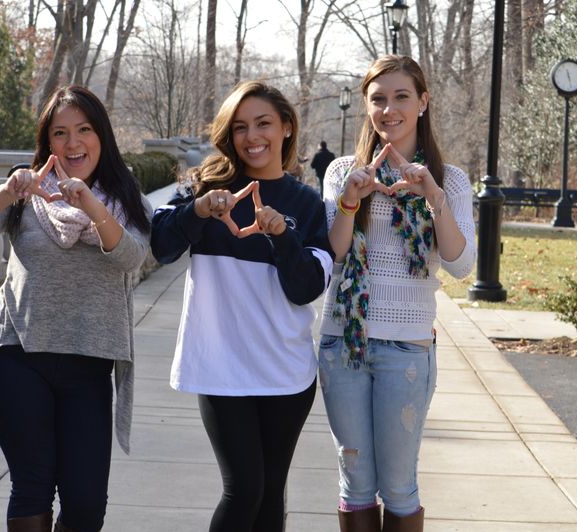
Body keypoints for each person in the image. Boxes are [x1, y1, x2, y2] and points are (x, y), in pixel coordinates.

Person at [0, 85, 151, 532]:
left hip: (89, 364)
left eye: (84, 129)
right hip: (17, 356)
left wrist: (91, 204)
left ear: (102, 135)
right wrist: (8, 192)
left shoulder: (125, 198)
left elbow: (131, 257)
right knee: (32, 487)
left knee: (85, 505)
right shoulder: (29, 192)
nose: (73, 142)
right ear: (48, 141)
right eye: (60, 133)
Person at [150, 81, 333, 532]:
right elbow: (161, 246)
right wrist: (198, 211)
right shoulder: (205, 187)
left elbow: (306, 287)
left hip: (285, 371)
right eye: (240, 127)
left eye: (264, 124)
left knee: (270, 493)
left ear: (286, 128)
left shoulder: (307, 205)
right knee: (244, 489)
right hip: (220, 366)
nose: (252, 137)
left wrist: (282, 236)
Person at [318, 55, 476, 531]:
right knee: (356, 483)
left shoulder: (450, 179)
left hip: (406, 348)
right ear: (367, 107)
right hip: (343, 343)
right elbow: (335, 255)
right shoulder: (344, 170)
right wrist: (350, 199)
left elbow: (461, 265)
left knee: (400, 485)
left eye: (401, 96)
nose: (390, 109)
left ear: (423, 102)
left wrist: (433, 197)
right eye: (378, 99)